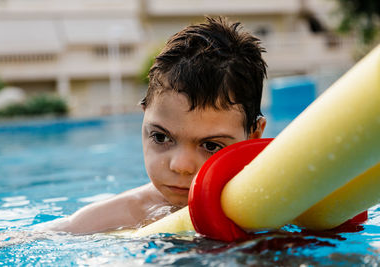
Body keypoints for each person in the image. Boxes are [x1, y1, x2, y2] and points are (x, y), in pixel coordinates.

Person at [48, 16, 267, 234]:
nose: (180, 165)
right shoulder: (110, 219)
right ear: (144, 117)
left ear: (254, 136)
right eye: (161, 137)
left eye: (211, 145)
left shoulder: (270, 198)